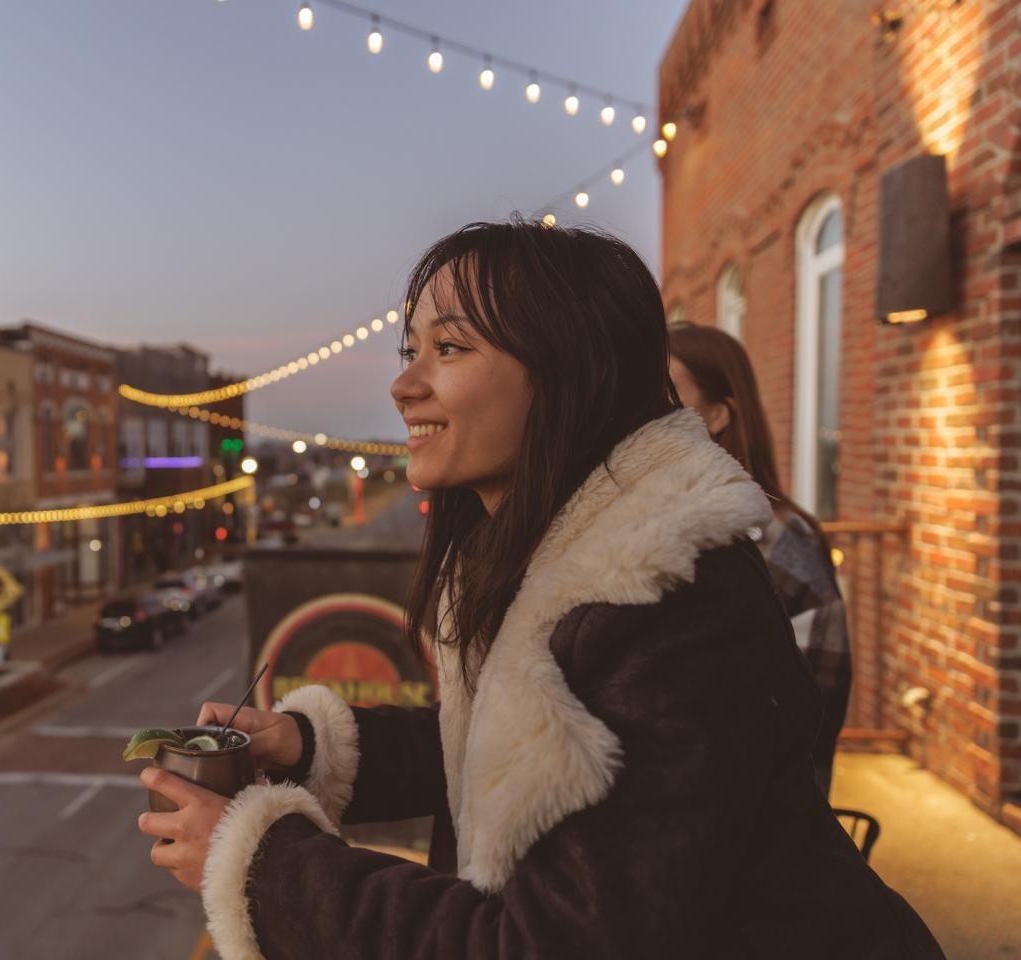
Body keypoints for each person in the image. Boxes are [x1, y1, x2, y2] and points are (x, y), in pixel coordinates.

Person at [137, 218, 942, 959]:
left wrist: (262, 864)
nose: (404, 386)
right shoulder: (535, 558)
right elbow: (524, 751)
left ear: (568, 370)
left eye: (448, 349)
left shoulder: (668, 590)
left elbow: (557, 942)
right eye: (408, 351)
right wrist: (309, 747)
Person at [669, 321, 851, 796]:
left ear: (716, 416)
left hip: (754, 820)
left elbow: (813, 704)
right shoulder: (639, 525)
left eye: (665, 389)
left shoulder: (778, 537)